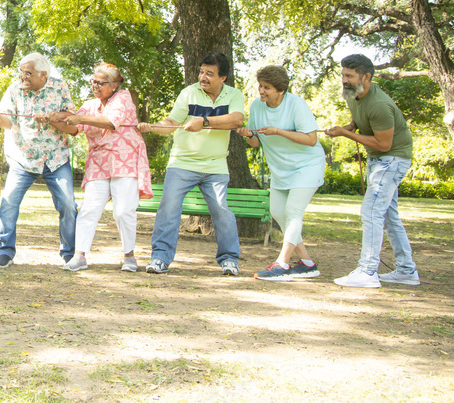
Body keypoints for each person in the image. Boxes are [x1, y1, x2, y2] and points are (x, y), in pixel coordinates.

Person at [137, 51, 245, 276]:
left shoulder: (234, 95)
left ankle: (229, 260)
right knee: (169, 208)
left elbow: (236, 119)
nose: (203, 77)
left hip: (216, 166)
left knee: (221, 211)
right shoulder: (189, 93)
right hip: (183, 164)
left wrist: (204, 121)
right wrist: (153, 126)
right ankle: (160, 259)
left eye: (210, 74)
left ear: (223, 78)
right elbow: (171, 122)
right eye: (201, 72)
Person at [325, 54, 419, 288]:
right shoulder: (353, 94)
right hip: (379, 159)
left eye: (350, 75)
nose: (344, 80)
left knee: (371, 211)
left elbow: (384, 144)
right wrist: (351, 125)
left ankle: (367, 272)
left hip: (392, 158)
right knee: (387, 215)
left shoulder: (380, 105)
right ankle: (407, 271)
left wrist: (345, 134)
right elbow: (361, 118)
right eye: (343, 74)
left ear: (366, 77)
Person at [0, 53, 78, 268]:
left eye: (28, 73)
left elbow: (73, 126)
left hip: (55, 158)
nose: (23, 77)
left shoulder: (60, 87)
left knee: (68, 205)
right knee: (8, 204)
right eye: (21, 72)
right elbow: (6, 123)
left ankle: (70, 254)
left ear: (43, 74)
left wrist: (54, 118)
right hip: (23, 158)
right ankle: (5, 252)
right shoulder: (14, 89)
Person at [235, 65, 324, 281]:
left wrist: (278, 131)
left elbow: (311, 139)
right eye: (261, 86)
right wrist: (247, 134)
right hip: (281, 169)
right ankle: (306, 263)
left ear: (281, 90)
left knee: (293, 212)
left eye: (267, 87)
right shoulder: (257, 106)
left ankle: (282, 264)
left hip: (307, 166)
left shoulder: (295, 104)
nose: (261, 91)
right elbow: (255, 142)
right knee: (278, 212)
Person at [60, 63, 152, 272]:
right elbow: (74, 128)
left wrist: (78, 118)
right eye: (93, 81)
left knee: (123, 212)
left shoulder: (123, 97)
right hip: (99, 163)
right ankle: (80, 255)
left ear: (114, 85)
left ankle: (129, 256)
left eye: (101, 83)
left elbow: (111, 122)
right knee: (88, 209)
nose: (95, 85)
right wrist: (52, 120)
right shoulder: (90, 105)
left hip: (125, 159)